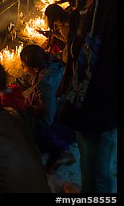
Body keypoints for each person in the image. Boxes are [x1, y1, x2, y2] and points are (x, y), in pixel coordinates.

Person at [56, 0, 117, 194]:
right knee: (88, 158)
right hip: (81, 99)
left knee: (100, 168)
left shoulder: (113, 3)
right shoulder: (84, 2)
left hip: (101, 102)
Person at [19, 43, 76, 172]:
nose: (22, 68)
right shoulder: (51, 62)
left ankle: (62, 151)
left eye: (23, 66)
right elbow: (28, 79)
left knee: (28, 131)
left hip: (68, 124)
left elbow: (47, 120)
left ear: (34, 69)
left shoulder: (46, 83)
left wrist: (27, 117)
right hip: (67, 112)